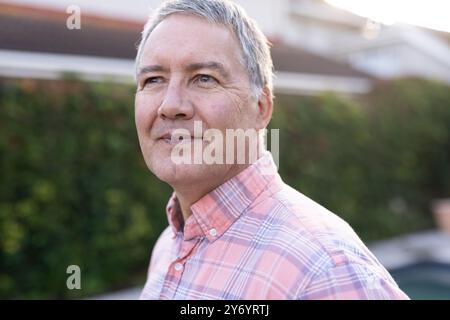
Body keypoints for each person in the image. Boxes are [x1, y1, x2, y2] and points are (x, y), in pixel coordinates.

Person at [134, 0, 409, 300]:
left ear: (261, 108)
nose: (170, 105)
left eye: (204, 78)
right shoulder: (168, 246)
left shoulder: (327, 272)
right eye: (153, 80)